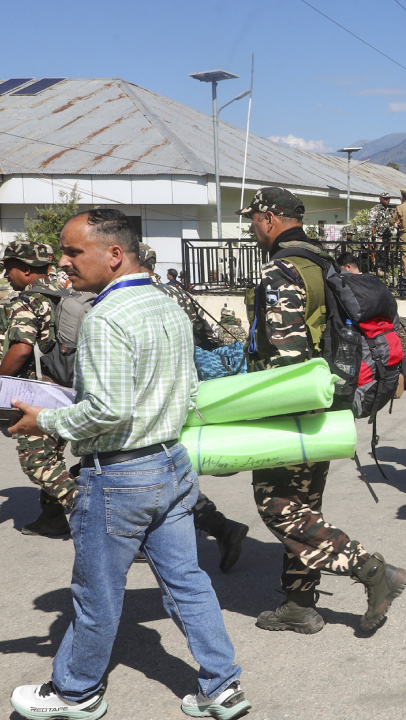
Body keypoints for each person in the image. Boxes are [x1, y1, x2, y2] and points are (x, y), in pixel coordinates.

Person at [6, 208, 249, 720]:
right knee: (187, 580)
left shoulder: (106, 316)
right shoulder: (166, 304)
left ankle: (76, 693)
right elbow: (174, 390)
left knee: (96, 593)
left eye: (73, 251)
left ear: (114, 254)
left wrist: (45, 421)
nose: (63, 262)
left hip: (120, 475)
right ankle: (222, 687)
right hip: (172, 465)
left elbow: (109, 410)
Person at [240, 187, 406, 634]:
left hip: (294, 406)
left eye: (253, 219)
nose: (251, 228)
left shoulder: (282, 270)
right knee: (303, 506)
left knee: (278, 505)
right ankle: (298, 605)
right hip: (326, 404)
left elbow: (286, 357)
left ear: (270, 218)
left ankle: (374, 572)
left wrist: (264, 415)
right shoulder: (324, 262)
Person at [138, 243, 250, 573]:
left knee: (152, 463)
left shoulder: (132, 296)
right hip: (183, 384)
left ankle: (211, 526)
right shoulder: (178, 292)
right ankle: (214, 526)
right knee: (165, 460)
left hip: (148, 390)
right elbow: (205, 335)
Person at [0, 241, 79, 538]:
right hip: (71, 388)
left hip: (39, 393)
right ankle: (51, 519)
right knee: (54, 457)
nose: (7, 275)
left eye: (9, 268)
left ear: (24, 268)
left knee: (38, 462)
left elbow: (21, 349)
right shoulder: (69, 294)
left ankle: (107, 524)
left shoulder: (28, 299)